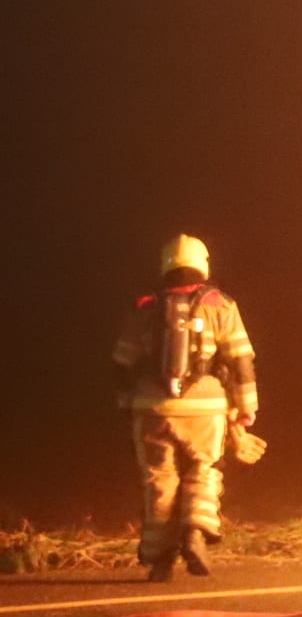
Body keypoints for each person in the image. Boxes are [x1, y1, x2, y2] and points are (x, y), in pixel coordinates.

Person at [111, 234, 259, 581]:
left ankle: (160, 561)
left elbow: (121, 363)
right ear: (203, 264)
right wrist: (246, 408)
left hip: (151, 408)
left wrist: (126, 405)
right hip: (206, 408)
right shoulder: (221, 304)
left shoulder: (145, 306)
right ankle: (195, 531)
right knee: (203, 469)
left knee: (159, 482)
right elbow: (241, 361)